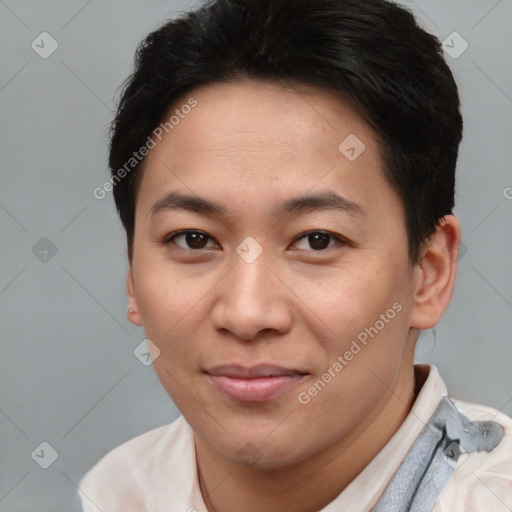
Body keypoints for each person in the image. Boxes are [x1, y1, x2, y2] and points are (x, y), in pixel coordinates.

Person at [79, 0, 512, 510]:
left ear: (429, 275)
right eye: (194, 239)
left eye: (317, 240)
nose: (246, 313)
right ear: (132, 275)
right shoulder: (117, 492)